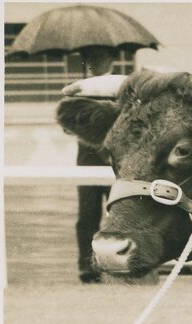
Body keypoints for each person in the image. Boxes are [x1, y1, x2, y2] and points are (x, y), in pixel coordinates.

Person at [75, 46, 118, 283]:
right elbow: (69, 124)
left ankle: (116, 266)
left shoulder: (120, 90)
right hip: (89, 163)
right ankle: (87, 267)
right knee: (88, 217)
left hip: (116, 163)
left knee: (119, 215)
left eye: (102, 58)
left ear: (111, 62)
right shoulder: (79, 91)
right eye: (93, 60)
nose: (97, 63)